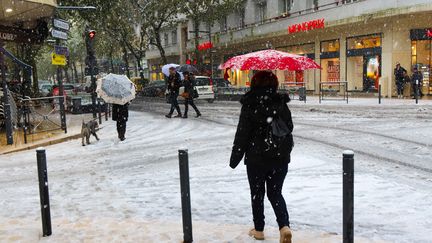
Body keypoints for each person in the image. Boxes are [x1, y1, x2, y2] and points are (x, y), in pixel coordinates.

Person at [229, 71, 294, 243]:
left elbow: (242, 134)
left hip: (256, 158)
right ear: (274, 85)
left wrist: (235, 158)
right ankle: (284, 227)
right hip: (279, 157)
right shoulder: (280, 103)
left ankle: (258, 230)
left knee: (257, 193)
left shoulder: (250, 104)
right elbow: (289, 127)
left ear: (254, 84)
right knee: (275, 193)